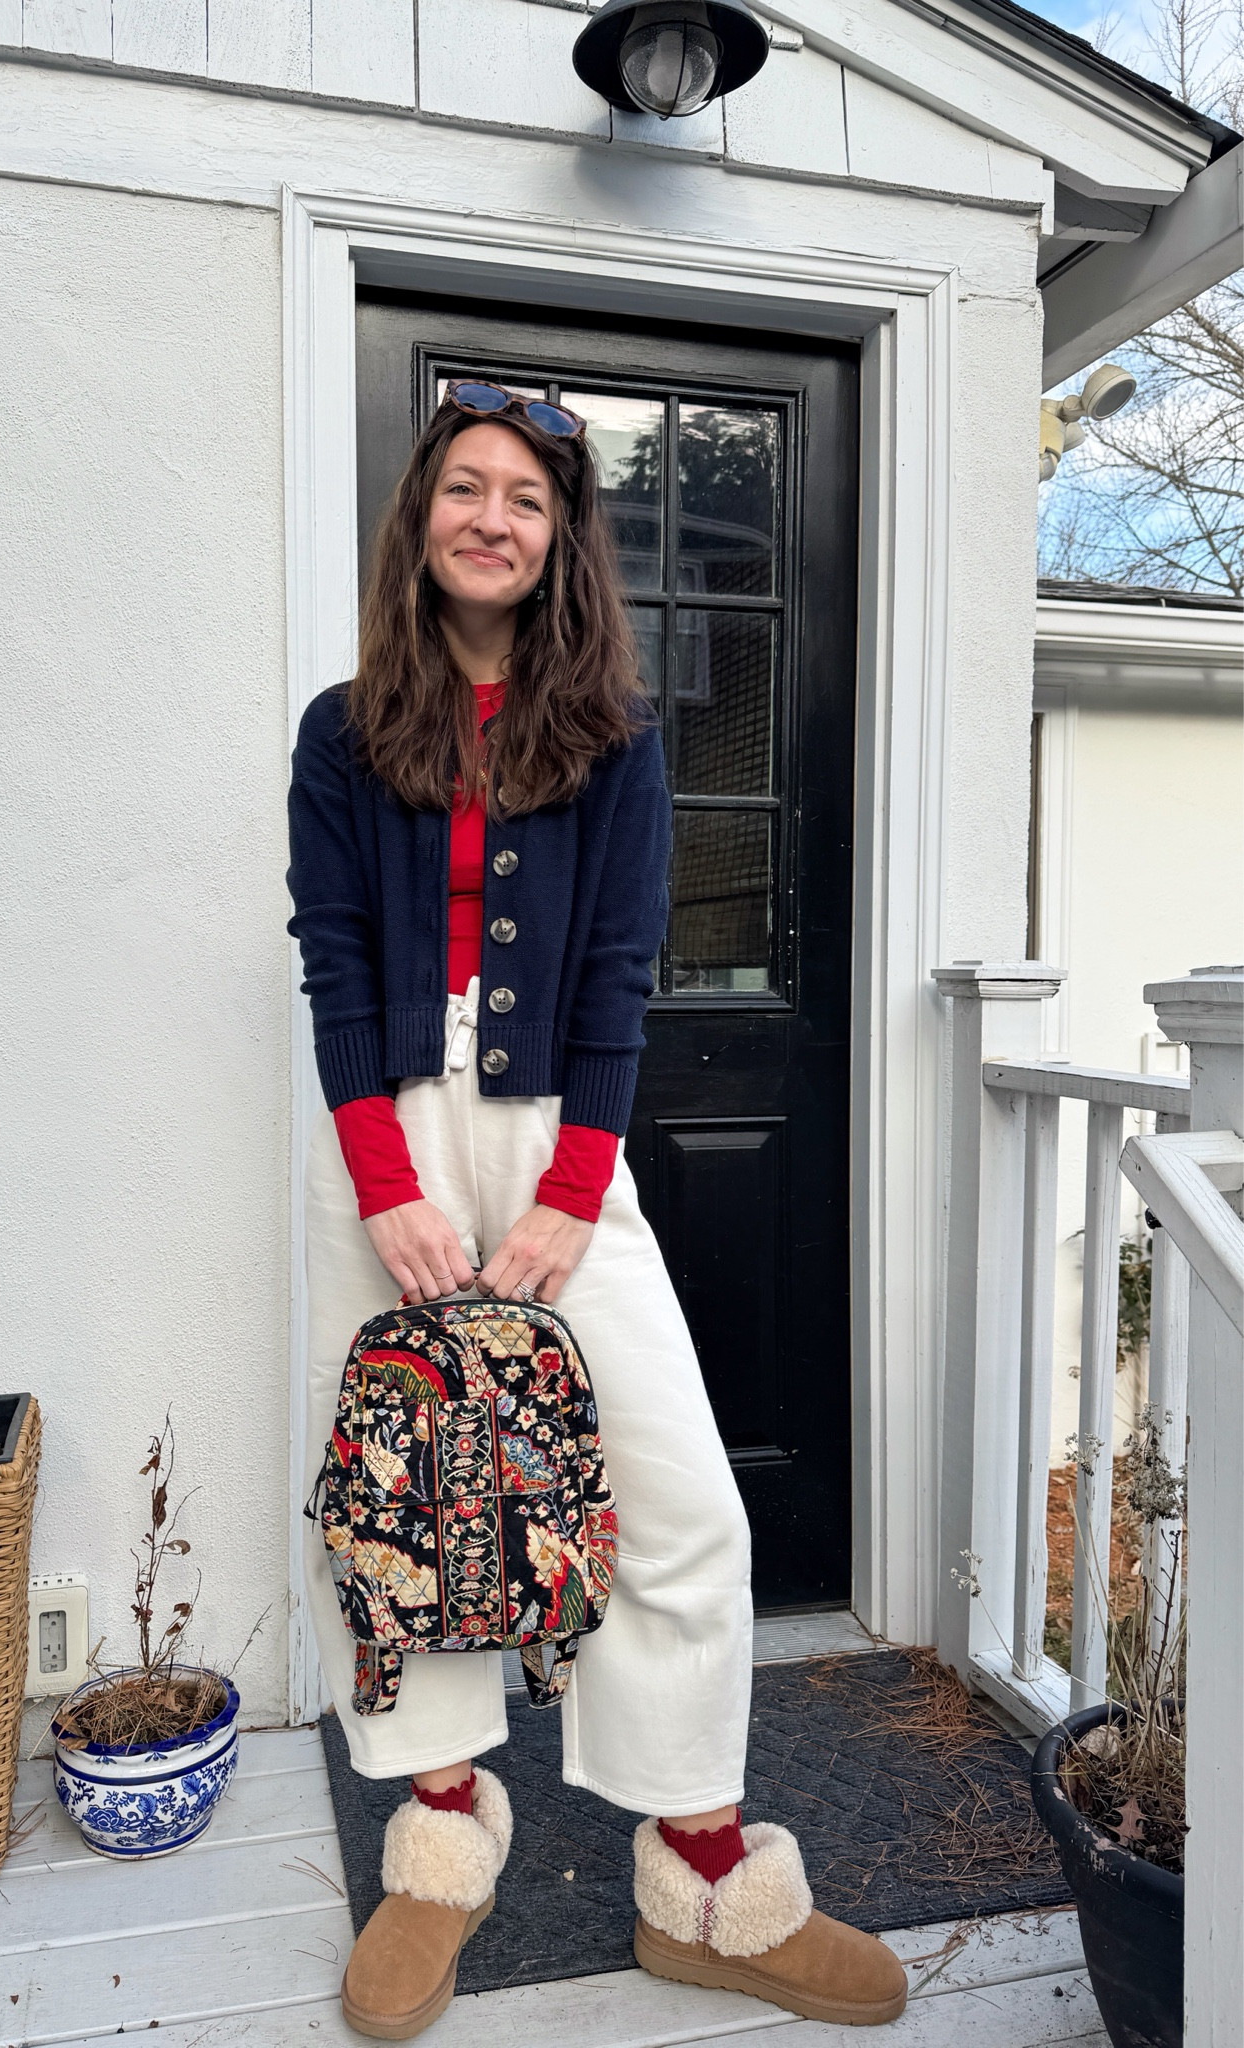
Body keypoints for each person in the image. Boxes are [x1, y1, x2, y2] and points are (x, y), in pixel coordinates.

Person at [286, 381, 906, 2039]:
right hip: (393, 1160)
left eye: (529, 499)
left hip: (564, 1151)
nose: (493, 516)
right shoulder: (342, 733)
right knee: (414, 1507)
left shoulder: (615, 737)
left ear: (562, 541)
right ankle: (436, 1839)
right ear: (422, 519)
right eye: (465, 487)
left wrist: (570, 1197)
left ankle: (703, 1878)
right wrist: (385, 1188)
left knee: (682, 1505)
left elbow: (621, 970)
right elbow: (336, 963)